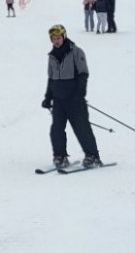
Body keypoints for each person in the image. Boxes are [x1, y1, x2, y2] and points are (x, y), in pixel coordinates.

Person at [41, 24, 102, 168]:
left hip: (74, 99)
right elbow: (51, 79)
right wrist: (48, 97)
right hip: (58, 100)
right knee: (56, 129)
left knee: (81, 128)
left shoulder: (76, 52)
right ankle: (60, 157)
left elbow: (83, 74)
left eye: (58, 38)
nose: (56, 41)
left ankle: (92, 156)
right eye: (53, 38)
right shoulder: (52, 56)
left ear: (64, 36)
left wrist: (79, 94)